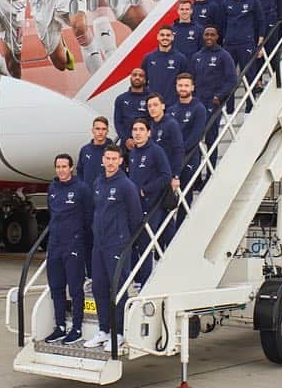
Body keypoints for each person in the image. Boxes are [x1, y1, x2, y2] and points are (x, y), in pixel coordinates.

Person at [84, 145, 142, 350]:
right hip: (99, 245)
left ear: (120, 161)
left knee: (118, 288)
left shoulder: (127, 185)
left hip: (117, 244)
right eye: (107, 158)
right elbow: (96, 210)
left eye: (113, 159)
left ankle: (118, 333)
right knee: (99, 287)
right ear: (103, 160)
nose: (109, 162)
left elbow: (136, 217)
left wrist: (124, 240)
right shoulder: (98, 182)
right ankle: (104, 330)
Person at [44, 154, 92, 345]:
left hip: (73, 245)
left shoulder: (81, 189)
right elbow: (51, 212)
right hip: (55, 245)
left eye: (65, 166)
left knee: (75, 288)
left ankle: (77, 327)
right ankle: (60, 326)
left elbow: (89, 217)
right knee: (56, 287)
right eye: (58, 166)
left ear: (71, 168)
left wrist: (78, 239)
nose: (61, 170)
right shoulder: (53, 188)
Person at [127, 118, 172, 285]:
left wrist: (145, 189)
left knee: (145, 246)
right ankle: (136, 279)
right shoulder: (133, 153)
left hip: (151, 206)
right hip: (134, 206)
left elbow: (166, 176)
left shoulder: (156, 151)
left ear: (148, 132)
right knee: (132, 244)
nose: (137, 133)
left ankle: (144, 284)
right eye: (135, 129)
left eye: (141, 129)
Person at [189, 26, 236, 172]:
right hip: (197, 104)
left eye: (212, 34)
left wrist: (219, 96)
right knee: (194, 141)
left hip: (212, 104)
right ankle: (195, 175)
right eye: (206, 34)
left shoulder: (223, 56)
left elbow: (232, 80)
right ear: (203, 36)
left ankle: (210, 173)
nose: (209, 37)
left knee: (211, 139)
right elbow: (191, 79)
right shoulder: (197, 56)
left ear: (217, 37)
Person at [221, 0, 265, 111]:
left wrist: (260, 41)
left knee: (249, 75)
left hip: (246, 43)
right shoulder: (226, 2)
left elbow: (261, 21)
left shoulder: (253, 1)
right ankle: (229, 111)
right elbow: (222, 23)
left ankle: (249, 108)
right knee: (228, 77)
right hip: (229, 45)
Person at [168, 72, 207, 224]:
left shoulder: (199, 108)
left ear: (192, 87)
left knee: (185, 194)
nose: (183, 88)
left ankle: (180, 227)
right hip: (172, 159)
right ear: (176, 87)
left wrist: (179, 152)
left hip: (189, 157)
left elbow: (196, 135)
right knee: (168, 196)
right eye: (180, 85)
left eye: (186, 85)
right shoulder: (171, 110)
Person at [142, 26, 187, 108]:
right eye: (162, 35)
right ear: (158, 37)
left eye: (168, 35)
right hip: (153, 105)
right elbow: (143, 82)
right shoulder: (148, 58)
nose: (165, 38)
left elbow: (184, 83)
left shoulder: (181, 58)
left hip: (173, 105)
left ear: (172, 37)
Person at [113, 68, 148, 153]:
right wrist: (126, 139)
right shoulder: (121, 99)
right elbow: (118, 122)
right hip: (126, 144)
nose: (137, 77)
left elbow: (154, 120)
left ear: (145, 79)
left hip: (146, 144)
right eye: (134, 75)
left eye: (141, 76)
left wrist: (144, 139)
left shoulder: (151, 98)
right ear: (130, 77)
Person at [77, 116, 113, 186]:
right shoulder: (84, 150)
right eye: (97, 129)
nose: (100, 132)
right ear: (93, 130)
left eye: (103, 129)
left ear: (107, 131)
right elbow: (79, 171)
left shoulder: (114, 151)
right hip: (87, 194)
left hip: (106, 194)